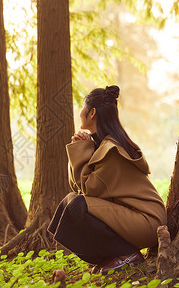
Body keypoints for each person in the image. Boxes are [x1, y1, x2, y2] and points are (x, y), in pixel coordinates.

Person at [47, 85, 167, 274]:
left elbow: (88, 190)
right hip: (130, 214)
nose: (80, 111)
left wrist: (81, 150)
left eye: (82, 106)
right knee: (68, 203)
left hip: (146, 221)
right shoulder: (102, 143)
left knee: (77, 205)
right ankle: (111, 257)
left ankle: (127, 254)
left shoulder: (111, 150)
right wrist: (80, 147)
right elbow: (77, 187)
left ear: (92, 112)